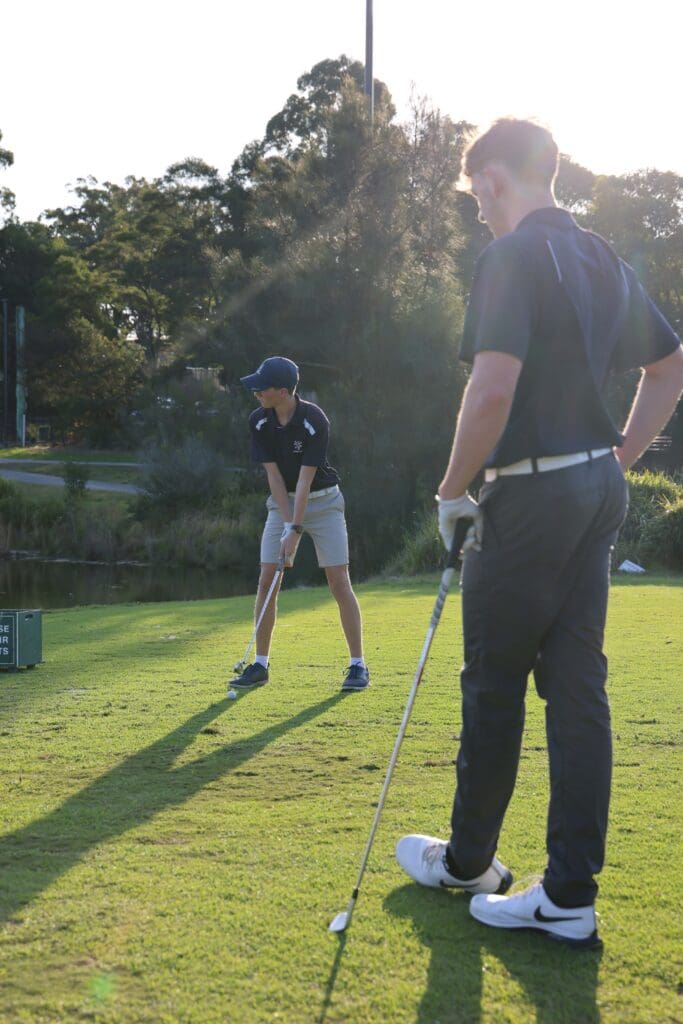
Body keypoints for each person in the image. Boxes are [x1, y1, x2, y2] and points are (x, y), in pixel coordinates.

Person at [395, 118, 683, 948]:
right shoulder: (602, 256)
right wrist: (617, 456)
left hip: (528, 500)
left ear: (491, 179)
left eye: (474, 195)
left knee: (492, 683)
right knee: (575, 689)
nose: (476, 211)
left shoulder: (510, 256)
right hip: (594, 491)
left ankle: (468, 864)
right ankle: (566, 895)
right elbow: (668, 368)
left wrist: (450, 492)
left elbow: (491, 391)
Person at [232, 356, 370, 692]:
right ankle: (260, 665)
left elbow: (306, 481)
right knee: (268, 578)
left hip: (324, 503)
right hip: (283, 503)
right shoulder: (259, 421)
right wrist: (288, 524)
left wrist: (295, 531)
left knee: (338, 581)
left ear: (282, 391)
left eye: (262, 388)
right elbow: (274, 476)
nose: (256, 393)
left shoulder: (314, 421)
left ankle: (358, 665)